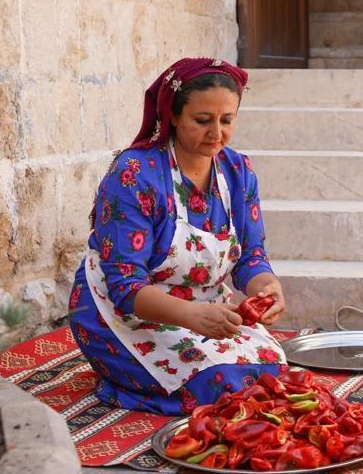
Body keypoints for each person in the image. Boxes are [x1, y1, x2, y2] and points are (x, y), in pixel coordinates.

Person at [67, 57, 287, 415]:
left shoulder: (237, 171)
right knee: (220, 386)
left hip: (202, 310)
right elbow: (125, 287)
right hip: (124, 311)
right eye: (202, 121)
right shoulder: (135, 174)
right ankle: (120, 375)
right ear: (172, 114)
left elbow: (251, 256)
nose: (217, 134)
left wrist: (267, 287)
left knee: (271, 374)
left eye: (227, 120)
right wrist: (193, 316)